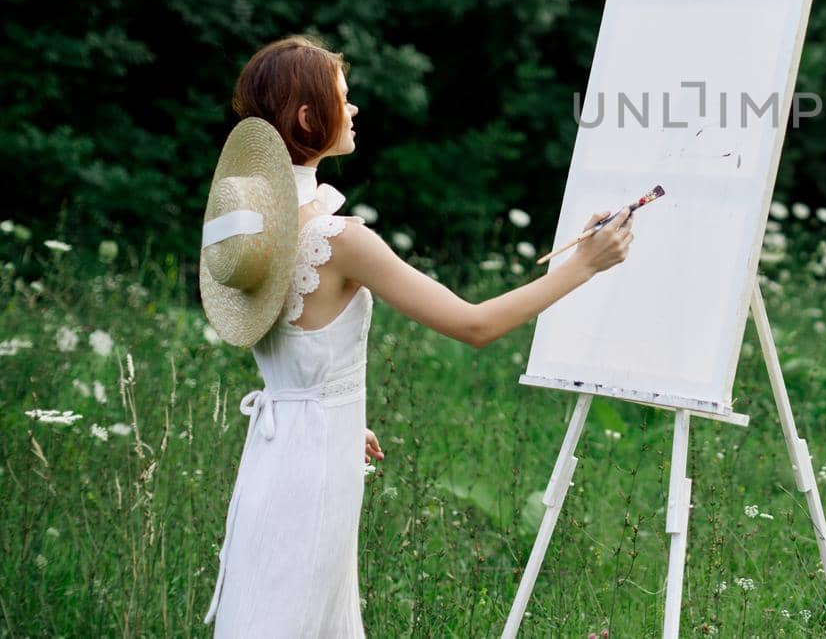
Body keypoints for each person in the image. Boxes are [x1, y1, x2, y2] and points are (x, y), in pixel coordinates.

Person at [201, 34, 633, 637]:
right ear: (307, 117)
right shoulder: (339, 238)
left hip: (278, 453)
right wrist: (583, 266)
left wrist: (343, 414)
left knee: (273, 607)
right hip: (314, 467)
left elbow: (292, 349)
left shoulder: (248, 226)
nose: (353, 110)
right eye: (342, 98)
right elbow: (474, 325)